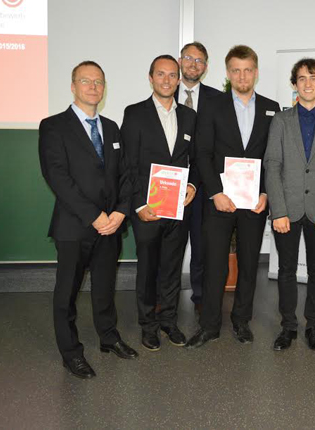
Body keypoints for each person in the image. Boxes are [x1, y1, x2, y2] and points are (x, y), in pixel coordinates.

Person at [39, 60, 138, 379]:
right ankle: (71, 353)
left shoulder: (111, 128)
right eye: (86, 81)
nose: (93, 87)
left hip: (111, 225)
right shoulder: (53, 126)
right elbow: (57, 177)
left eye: (98, 82)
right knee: (67, 291)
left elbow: (125, 175)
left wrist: (121, 211)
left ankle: (109, 338)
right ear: (73, 86)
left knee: (105, 288)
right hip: (74, 226)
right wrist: (94, 216)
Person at [187, 45, 280, 348]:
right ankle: (210, 325)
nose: (242, 76)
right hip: (220, 201)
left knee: (250, 263)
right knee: (215, 264)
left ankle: (241, 321)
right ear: (227, 73)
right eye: (236, 70)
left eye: (248, 69)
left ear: (256, 72)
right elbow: (202, 153)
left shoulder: (272, 107)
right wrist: (215, 192)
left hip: (254, 203)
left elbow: (273, 158)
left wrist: (266, 191)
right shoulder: (212, 106)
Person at [264, 58, 315, 351]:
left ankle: (313, 326)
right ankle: (288, 326)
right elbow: (272, 166)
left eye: (313, 78)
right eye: (301, 78)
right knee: (286, 270)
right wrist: (279, 211)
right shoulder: (281, 120)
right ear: (294, 85)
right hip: (288, 208)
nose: (307, 83)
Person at [121, 55, 197, 352]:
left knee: (171, 268)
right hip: (148, 210)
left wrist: (192, 185)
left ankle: (168, 321)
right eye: (160, 74)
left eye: (172, 75)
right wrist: (139, 205)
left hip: (178, 209)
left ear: (179, 80)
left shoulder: (190, 116)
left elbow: (196, 160)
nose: (167, 80)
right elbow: (127, 165)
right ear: (150, 78)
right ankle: (148, 326)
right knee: (148, 269)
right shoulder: (135, 113)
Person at [176, 41, 222, 314]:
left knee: (202, 244)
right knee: (170, 244)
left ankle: (201, 297)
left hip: (203, 185)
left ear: (206, 66)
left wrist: (198, 181)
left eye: (200, 60)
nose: (193, 64)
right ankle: (164, 297)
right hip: (170, 184)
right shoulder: (166, 92)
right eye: (189, 58)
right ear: (180, 60)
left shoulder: (217, 99)